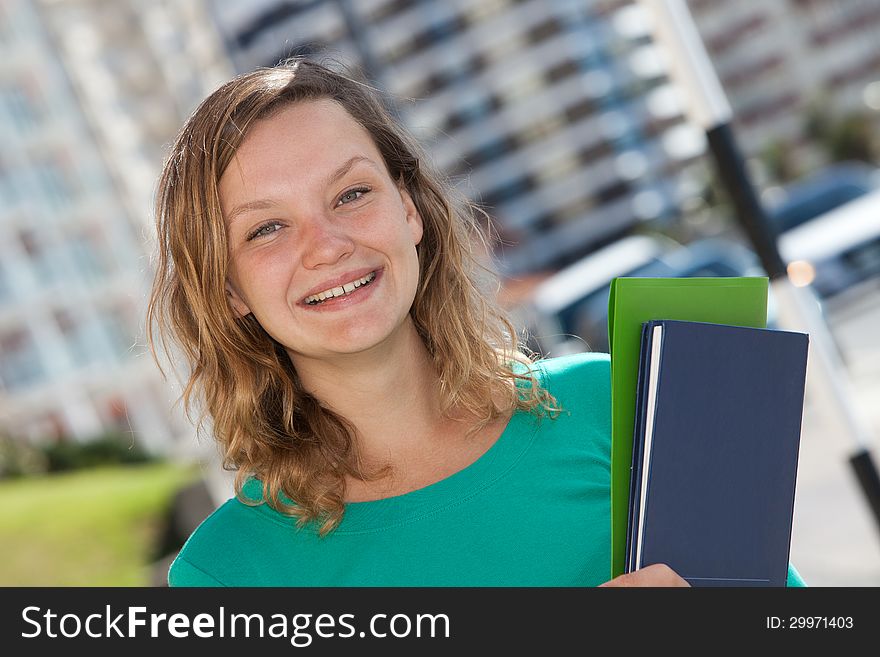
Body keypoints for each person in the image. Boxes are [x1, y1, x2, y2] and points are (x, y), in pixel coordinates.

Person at [147, 58, 802, 587]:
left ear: (409, 211)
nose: (326, 245)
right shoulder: (227, 573)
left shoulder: (621, 400)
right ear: (229, 287)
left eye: (351, 194)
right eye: (267, 228)